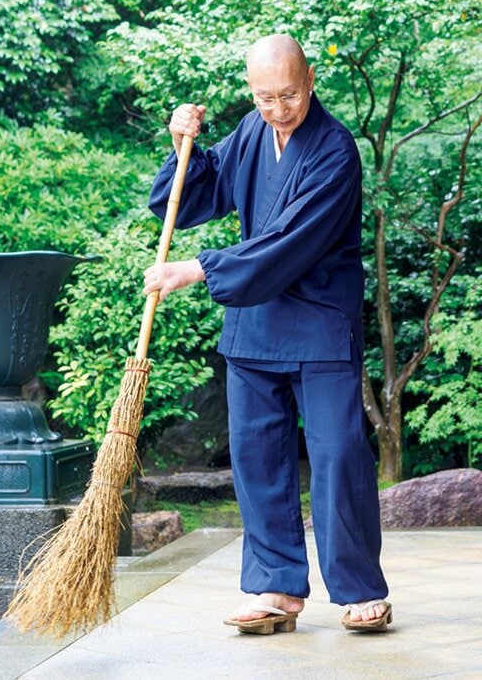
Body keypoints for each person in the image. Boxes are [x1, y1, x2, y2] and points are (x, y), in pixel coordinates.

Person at [143, 33, 391, 634]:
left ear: (309, 78)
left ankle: (360, 589)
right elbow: (199, 193)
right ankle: (277, 588)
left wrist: (197, 268)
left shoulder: (335, 150)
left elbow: (291, 242)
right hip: (255, 327)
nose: (278, 109)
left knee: (336, 458)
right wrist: (184, 148)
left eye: (287, 94)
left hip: (319, 324)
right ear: (251, 93)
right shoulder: (254, 132)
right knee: (257, 461)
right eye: (264, 98)